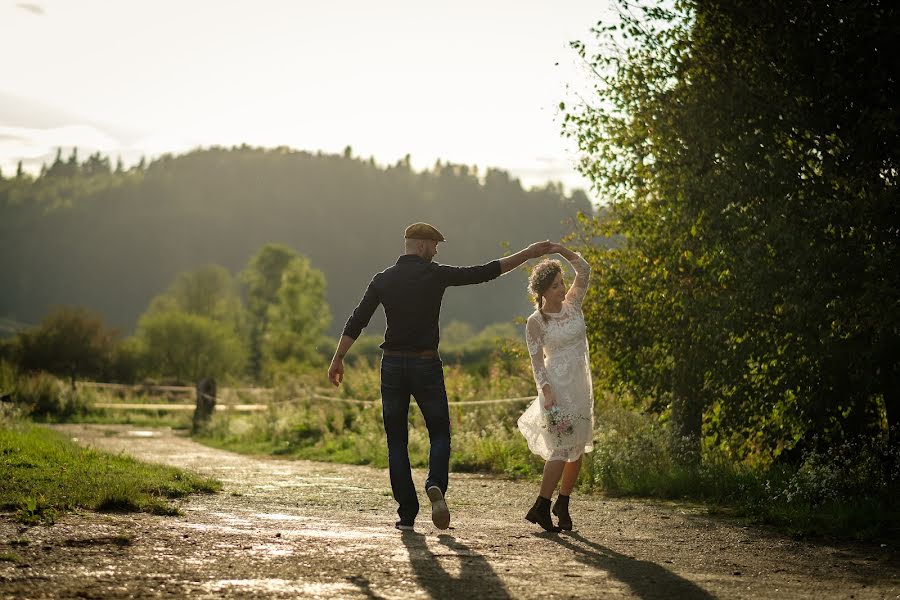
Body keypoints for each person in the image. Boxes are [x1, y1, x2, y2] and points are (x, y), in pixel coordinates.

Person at [328, 222, 553, 531]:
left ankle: (406, 514)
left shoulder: (383, 280)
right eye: (434, 246)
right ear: (422, 245)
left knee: (396, 441)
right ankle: (435, 483)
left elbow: (358, 319)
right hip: (425, 365)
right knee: (440, 433)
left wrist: (338, 358)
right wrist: (527, 254)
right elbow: (486, 271)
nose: (436, 252)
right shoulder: (435, 275)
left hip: (392, 365)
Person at [517, 243, 593, 532]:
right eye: (556, 286)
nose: (562, 289)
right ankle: (541, 505)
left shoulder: (573, 305)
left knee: (578, 448)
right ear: (543, 292)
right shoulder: (536, 322)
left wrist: (560, 250)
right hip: (556, 390)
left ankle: (563, 502)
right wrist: (546, 392)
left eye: (562, 284)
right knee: (561, 449)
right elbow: (536, 361)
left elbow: (584, 269)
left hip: (580, 386)